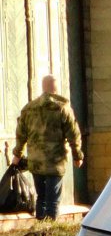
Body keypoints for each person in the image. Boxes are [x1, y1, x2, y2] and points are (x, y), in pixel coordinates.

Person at [11, 75, 83, 221]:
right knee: (53, 200)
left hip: (35, 161)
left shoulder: (28, 109)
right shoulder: (63, 108)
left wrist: (17, 154)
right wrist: (77, 156)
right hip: (55, 161)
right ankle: (50, 230)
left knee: (41, 198)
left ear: (43, 88)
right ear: (56, 89)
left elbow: (21, 135)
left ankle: (39, 226)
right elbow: (73, 135)